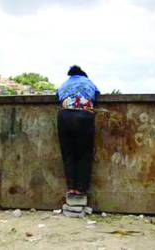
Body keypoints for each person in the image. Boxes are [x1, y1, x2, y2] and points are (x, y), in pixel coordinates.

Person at [56, 65, 100, 196]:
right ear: (83, 74)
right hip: (83, 116)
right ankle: (81, 189)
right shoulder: (88, 82)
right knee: (84, 154)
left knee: (68, 153)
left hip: (64, 117)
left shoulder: (64, 84)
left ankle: (70, 187)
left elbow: (57, 96)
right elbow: (96, 95)